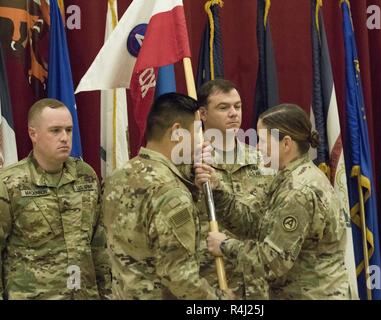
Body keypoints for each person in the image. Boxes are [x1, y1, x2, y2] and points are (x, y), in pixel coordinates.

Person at [197, 104, 350, 299]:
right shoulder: (287, 178)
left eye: (262, 140)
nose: (257, 147)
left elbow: (273, 261)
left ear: (286, 144)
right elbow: (255, 223)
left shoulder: (299, 190)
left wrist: (225, 245)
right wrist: (216, 188)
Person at [102, 93, 232, 300]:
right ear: (178, 133)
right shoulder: (171, 193)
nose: (202, 141)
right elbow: (178, 275)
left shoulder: (117, 177)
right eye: (197, 132)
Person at [0, 98, 111, 300]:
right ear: (33, 133)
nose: (64, 138)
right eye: (55, 130)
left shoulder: (86, 176)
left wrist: (107, 294)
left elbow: (98, 244)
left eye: (68, 130)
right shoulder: (9, 183)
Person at [185, 79, 274, 299]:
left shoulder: (259, 158)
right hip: (210, 280)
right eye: (223, 107)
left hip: (255, 281)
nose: (234, 113)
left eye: (238, 106)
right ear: (203, 114)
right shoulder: (188, 161)